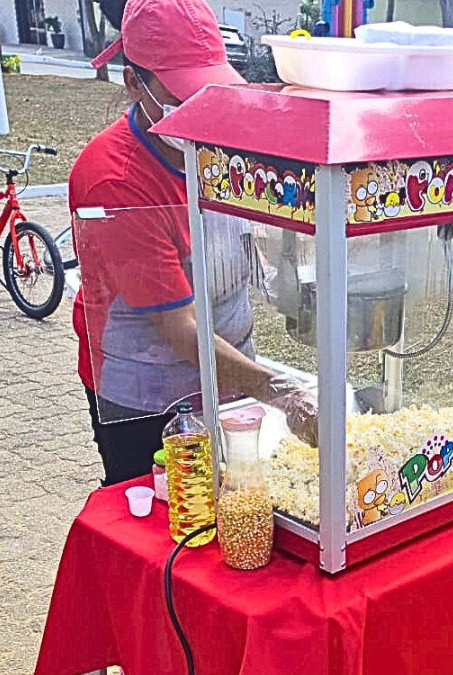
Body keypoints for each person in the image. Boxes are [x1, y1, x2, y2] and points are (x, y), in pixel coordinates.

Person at [69, 0, 316, 487]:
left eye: (211, 93)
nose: (201, 112)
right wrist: (278, 389)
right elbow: (179, 326)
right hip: (147, 398)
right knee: (173, 521)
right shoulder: (113, 182)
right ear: (134, 83)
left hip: (230, 375)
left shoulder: (219, 147)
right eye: (184, 95)